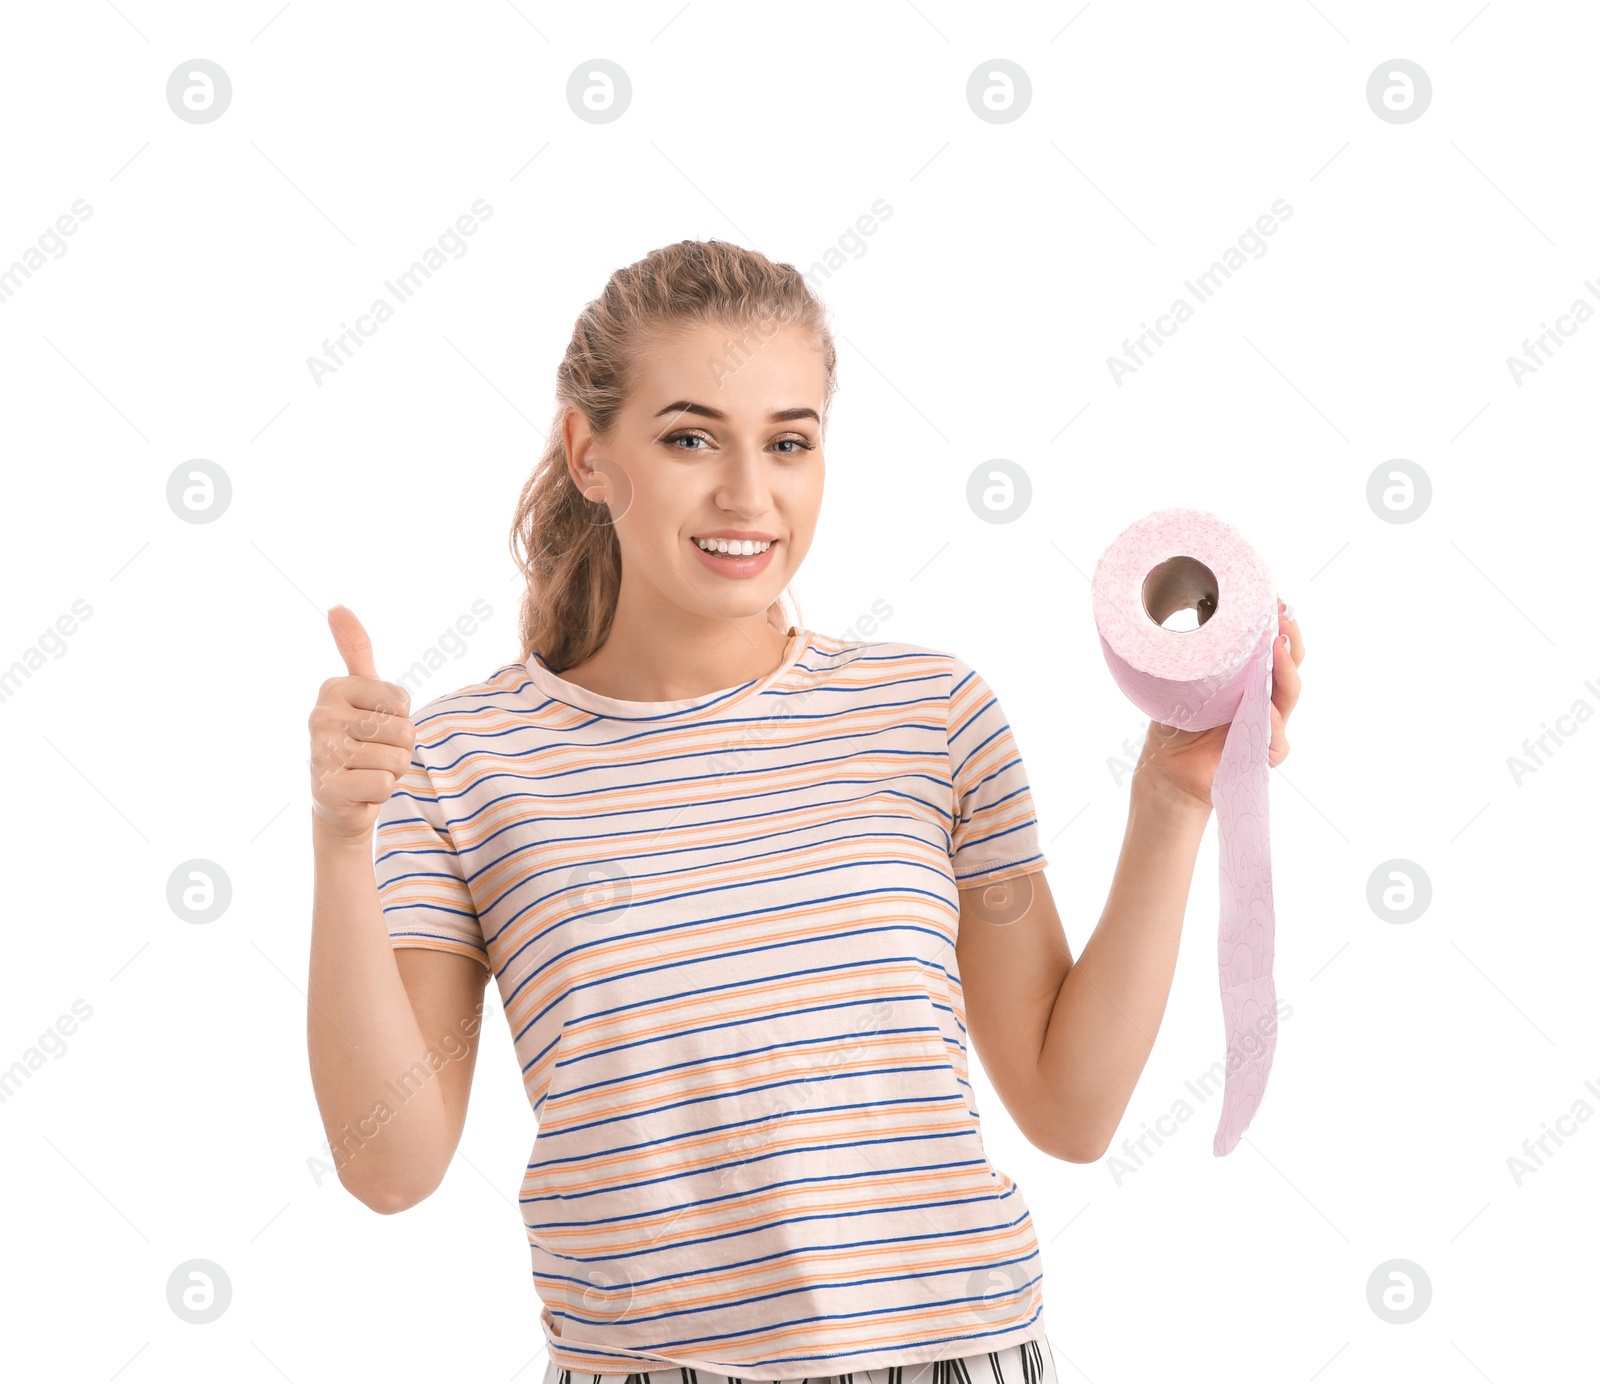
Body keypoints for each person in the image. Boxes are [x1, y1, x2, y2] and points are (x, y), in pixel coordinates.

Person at [305, 240, 1306, 1384]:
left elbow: (1068, 1105)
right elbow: (392, 1165)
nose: (747, 493)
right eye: (690, 437)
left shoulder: (931, 716)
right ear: (589, 453)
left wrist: (1170, 800)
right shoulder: (466, 763)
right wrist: (342, 843)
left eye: (788, 441)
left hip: (956, 1356)